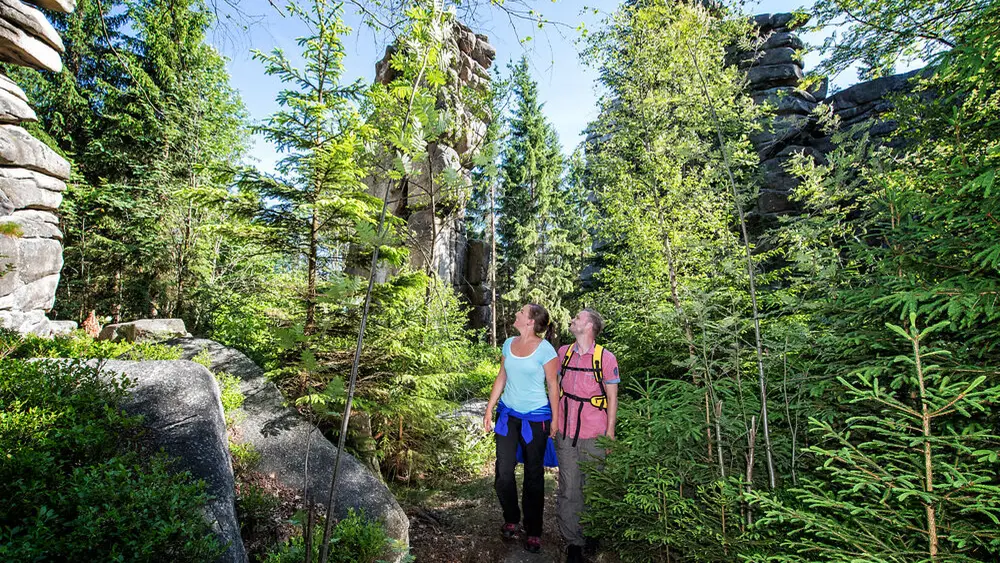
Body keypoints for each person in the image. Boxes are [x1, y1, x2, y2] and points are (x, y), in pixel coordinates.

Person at [483, 303, 561, 553]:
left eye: (521, 312)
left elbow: (553, 386)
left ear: (530, 321)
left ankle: (534, 529)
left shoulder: (546, 351)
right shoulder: (509, 343)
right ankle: (511, 518)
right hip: (508, 416)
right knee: (503, 473)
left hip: (536, 419)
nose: (516, 313)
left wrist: (556, 420)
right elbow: (501, 376)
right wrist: (489, 408)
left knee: (534, 476)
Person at [555, 308, 620, 563]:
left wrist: (610, 433)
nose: (573, 320)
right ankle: (573, 543)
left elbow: (612, 398)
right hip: (566, 432)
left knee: (592, 487)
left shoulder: (605, 358)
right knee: (569, 488)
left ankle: (593, 532)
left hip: (594, 432)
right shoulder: (563, 353)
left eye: (579, 318)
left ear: (590, 326)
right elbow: (553, 387)